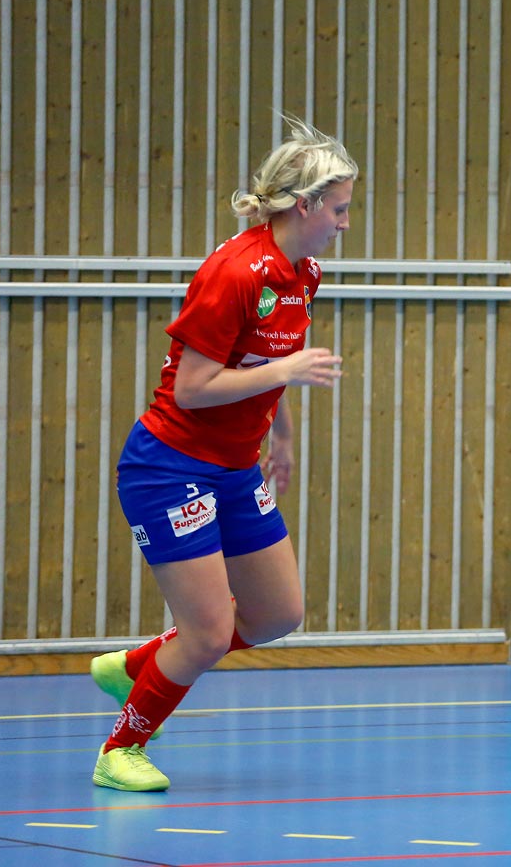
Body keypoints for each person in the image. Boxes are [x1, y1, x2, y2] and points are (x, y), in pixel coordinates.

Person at [88, 116, 357, 791]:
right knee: (206, 634)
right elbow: (197, 388)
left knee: (276, 615)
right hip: (170, 466)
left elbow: (274, 358)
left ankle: (144, 663)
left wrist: (283, 435)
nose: (347, 223)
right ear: (307, 205)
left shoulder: (304, 272)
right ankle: (121, 748)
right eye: (342, 208)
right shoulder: (236, 272)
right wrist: (284, 377)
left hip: (236, 467)